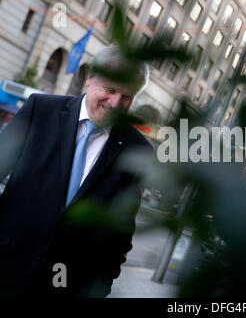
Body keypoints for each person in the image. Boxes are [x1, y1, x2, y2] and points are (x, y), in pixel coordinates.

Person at [0, 45, 152, 297]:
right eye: (110, 89)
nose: (115, 103)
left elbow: (118, 237)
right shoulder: (40, 110)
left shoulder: (138, 151)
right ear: (90, 79)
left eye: (126, 97)